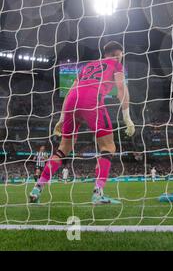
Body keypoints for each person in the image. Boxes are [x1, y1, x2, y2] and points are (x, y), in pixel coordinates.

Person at [29, 41, 135, 204]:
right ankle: (98, 193)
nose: (120, 58)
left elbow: (72, 90)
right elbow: (121, 88)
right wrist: (127, 116)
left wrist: (63, 117)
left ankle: (37, 188)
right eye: (120, 55)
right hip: (91, 100)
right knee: (108, 147)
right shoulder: (116, 64)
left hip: (72, 100)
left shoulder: (89, 66)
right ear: (115, 55)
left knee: (63, 148)